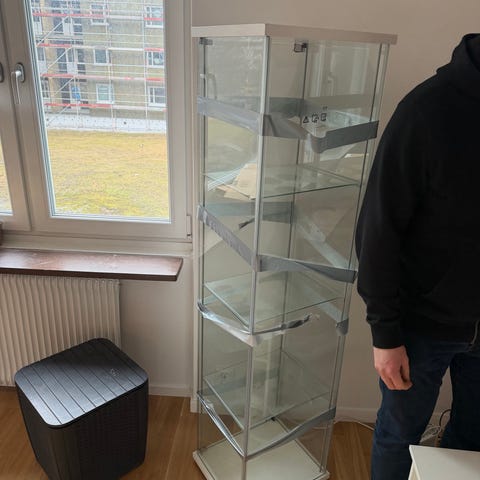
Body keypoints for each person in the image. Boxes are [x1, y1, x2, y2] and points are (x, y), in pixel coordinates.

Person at [355, 33, 480, 480]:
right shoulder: (426, 110)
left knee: (473, 438)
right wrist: (385, 334)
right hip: (420, 327)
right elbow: (377, 230)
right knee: (399, 436)